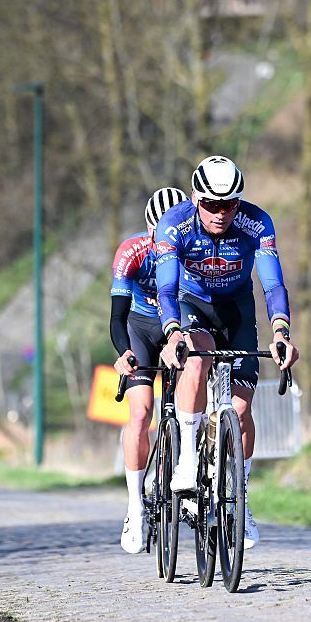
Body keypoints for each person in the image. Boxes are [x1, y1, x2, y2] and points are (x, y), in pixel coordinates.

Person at [155, 155, 299, 550]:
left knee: (241, 408)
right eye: (211, 205)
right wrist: (172, 332)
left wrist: (281, 331)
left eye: (229, 204)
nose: (221, 213)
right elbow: (166, 289)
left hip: (237, 309)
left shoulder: (257, 222)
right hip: (192, 305)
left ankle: (240, 497)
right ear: (196, 199)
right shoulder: (174, 224)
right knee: (197, 359)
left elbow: (273, 285)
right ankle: (187, 459)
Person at [110, 186, 188, 554]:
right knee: (141, 413)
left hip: (180, 327)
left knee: (192, 401)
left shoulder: (194, 248)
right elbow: (117, 316)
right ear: (149, 229)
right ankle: (135, 506)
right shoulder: (132, 251)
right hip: (140, 328)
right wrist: (123, 351)